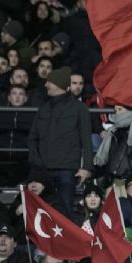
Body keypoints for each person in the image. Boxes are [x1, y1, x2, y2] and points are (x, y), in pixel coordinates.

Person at [27, 67, 92, 215]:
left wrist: (87, 167)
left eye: (49, 82)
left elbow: (86, 140)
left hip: (66, 170)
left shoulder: (80, 109)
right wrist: (36, 163)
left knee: (65, 211)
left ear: (58, 84)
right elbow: (32, 138)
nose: (45, 85)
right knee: (39, 212)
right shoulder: (43, 108)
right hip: (42, 169)